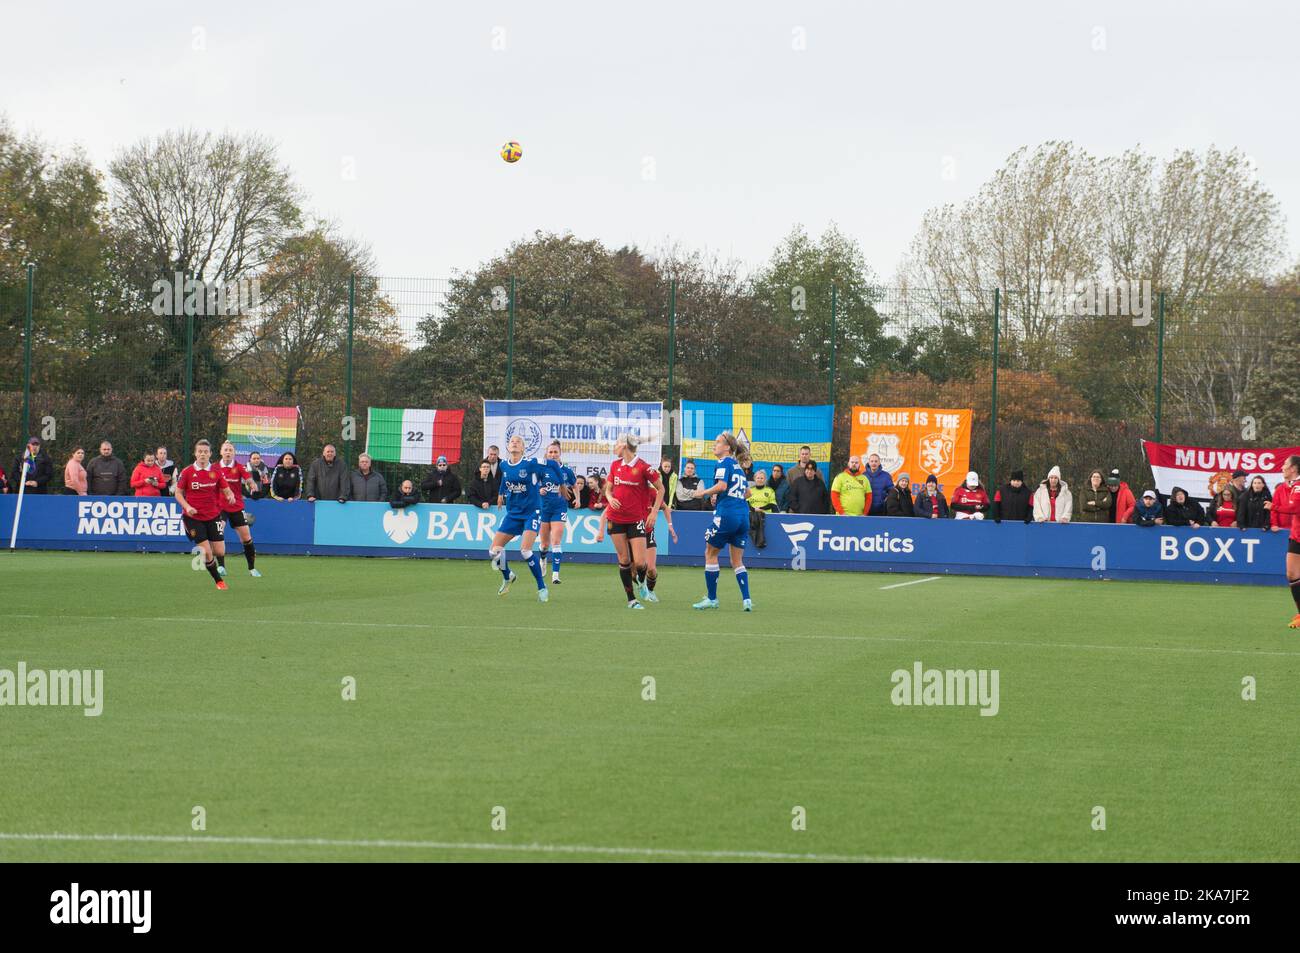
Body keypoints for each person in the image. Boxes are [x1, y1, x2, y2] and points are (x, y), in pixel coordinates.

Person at [596, 433, 664, 607]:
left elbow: (661, 489)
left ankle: (642, 583)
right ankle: (631, 600)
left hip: (636, 519)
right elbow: (608, 490)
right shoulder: (615, 465)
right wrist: (610, 499)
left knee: (641, 564)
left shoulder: (643, 467)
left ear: (624, 446)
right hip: (615, 518)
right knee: (624, 560)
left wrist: (654, 513)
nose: (614, 447)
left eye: (616, 444)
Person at [691, 431, 754, 611]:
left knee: (710, 553)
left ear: (727, 447)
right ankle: (747, 600)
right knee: (737, 560)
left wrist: (703, 493)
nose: (714, 444)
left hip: (727, 515)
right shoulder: (738, 466)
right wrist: (720, 496)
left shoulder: (723, 462)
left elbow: (722, 486)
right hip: (743, 515)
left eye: (718, 442)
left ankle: (712, 599)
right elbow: (748, 493)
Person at [487, 434, 550, 602]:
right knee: (493, 551)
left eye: (518, 442)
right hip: (513, 513)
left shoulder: (530, 464)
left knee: (525, 550)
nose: (514, 443)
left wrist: (545, 486)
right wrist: (501, 493)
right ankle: (508, 576)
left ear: (523, 448)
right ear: (508, 447)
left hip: (531, 512)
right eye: (512, 441)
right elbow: (506, 479)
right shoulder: (504, 465)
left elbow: (545, 474)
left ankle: (541, 587)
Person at [173, 438, 238, 591]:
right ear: (195, 454)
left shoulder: (216, 471)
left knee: (220, 551)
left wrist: (231, 496)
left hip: (213, 516)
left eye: (206, 452)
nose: (203, 454)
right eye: (200, 452)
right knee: (207, 552)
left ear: (210, 454)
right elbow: (178, 493)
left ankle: (210, 561)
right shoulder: (187, 471)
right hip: (193, 518)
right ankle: (219, 581)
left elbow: (226, 489)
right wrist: (187, 507)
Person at [1262, 455, 1300, 627]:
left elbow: (1295, 508)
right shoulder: (1290, 487)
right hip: (1296, 535)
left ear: (1293, 468)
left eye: (1285, 464)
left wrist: (1274, 507)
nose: (1282, 467)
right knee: (1292, 574)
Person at [216, 439, 262, 577]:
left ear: (234, 453)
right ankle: (221, 567)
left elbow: (248, 479)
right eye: (226, 450)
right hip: (219, 507)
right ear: (221, 452)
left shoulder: (239, 467)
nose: (228, 452)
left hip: (236, 507)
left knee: (246, 538)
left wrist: (252, 484)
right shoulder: (214, 468)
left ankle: (252, 568)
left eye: (230, 450)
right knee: (218, 533)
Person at [537, 441, 576, 585]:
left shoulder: (566, 471)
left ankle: (555, 575)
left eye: (555, 452)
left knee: (556, 541)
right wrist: (538, 490)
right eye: (550, 452)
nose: (553, 455)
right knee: (544, 544)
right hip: (544, 509)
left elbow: (574, 485)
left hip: (559, 509)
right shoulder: (541, 470)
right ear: (546, 454)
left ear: (560, 454)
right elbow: (531, 486)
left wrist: (577, 499)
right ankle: (542, 559)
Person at [748, 469, 778, 549]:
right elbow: (745, 503)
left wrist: (760, 509)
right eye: (758, 478)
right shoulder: (750, 490)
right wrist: (754, 510)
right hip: (752, 516)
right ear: (754, 479)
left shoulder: (770, 490)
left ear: (765, 480)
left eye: (762, 478)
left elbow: (772, 504)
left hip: (766, 517)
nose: (760, 480)